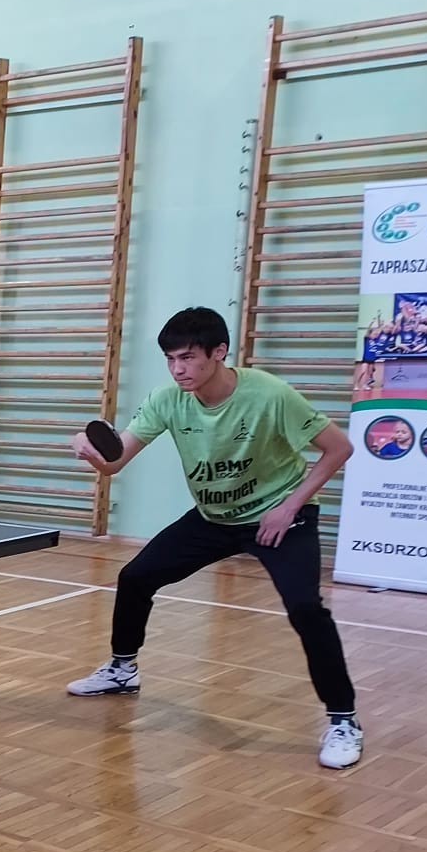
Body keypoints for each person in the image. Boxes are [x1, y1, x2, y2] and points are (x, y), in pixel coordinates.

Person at [67, 306, 363, 770]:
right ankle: (122, 669)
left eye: (187, 357)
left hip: (279, 515)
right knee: (136, 577)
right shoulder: (168, 400)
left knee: (306, 608)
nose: (178, 369)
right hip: (214, 517)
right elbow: (115, 462)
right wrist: (90, 452)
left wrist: (289, 507)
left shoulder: (269, 394)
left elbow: (339, 448)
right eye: (170, 359)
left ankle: (343, 720)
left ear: (219, 352)